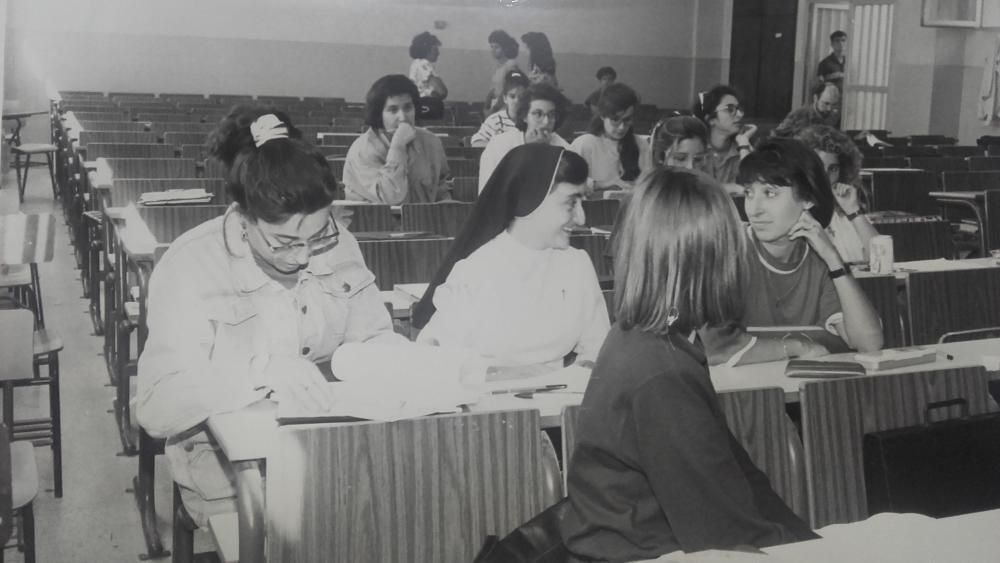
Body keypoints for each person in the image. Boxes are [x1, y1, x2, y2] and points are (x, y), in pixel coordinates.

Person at [136, 108, 407, 526]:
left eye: (316, 237)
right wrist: (258, 372)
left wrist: (405, 361)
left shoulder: (338, 243)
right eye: (283, 242)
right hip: (228, 473)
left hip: (335, 450)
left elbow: (374, 336)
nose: (302, 257)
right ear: (244, 218)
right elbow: (156, 408)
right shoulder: (191, 264)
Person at [559, 167, 818, 560]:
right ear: (712, 261)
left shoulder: (643, 337)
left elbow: (739, 477)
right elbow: (722, 533)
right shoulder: (663, 373)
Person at [413, 144, 609, 370]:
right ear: (530, 199)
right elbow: (436, 357)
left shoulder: (577, 265)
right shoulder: (475, 272)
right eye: (570, 202)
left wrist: (583, 370)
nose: (581, 218)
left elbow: (598, 350)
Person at [702, 137, 883, 366]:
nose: (754, 210)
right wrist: (797, 347)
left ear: (807, 199)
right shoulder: (726, 253)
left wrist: (834, 259)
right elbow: (713, 347)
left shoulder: (820, 259)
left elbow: (869, 342)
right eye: (749, 193)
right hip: (737, 396)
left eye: (770, 193)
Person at [343, 74, 451, 204]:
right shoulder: (362, 150)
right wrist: (398, 146)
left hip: (423, 221)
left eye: (408, 107)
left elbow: (441, 189)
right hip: (376, 222)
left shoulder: (431, 142)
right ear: (379, 114)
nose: (403, 117)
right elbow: (392, 198)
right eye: (393, 110)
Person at [793, 124, 878, 263]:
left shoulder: (845, 211)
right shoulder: (794, 212)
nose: (825, 177)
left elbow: (881, 258)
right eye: (819, 168)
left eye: (833, 169)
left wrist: (854, 211)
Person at [477, 82, 570, 192]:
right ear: (525, 116)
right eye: (538, 114)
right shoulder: (499, 147)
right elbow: (488, 197)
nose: (545, 122)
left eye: (551, 115)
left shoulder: (565, 150)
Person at [569, 83, 650, 189]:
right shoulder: (585, 144)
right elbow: (569, 182)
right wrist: (601, 185)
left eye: (627, 120)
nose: (621, 127)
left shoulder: (641, 144)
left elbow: (649, 182)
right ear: (602, 115)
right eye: (615, 120)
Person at [694, 85, 757, 192]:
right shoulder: (697, 149)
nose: (740, 115)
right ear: (710, 119)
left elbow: (752, 186)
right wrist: (731, 187)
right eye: (730, 109)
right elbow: (693, 188)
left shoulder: (742, 147)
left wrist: (744, 145)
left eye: (739, 109)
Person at [470, 70, 529, 148]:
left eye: (522, 97)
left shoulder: (532, 120)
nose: (517, 101)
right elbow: (476, 143)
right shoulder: (495, 120)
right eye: (512, 96)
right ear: (505, 98)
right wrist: (501, 146)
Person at [772, 82, 841, 137]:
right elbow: (776, 135)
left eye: (834, 104)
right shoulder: (799, 114)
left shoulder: (835, 117)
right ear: (815, 98)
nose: (829, 109)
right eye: (826, 103)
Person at [484, 29, 521, 112]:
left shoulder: (511, 65)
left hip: (504, 108)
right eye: (491, 47)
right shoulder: (499, 67)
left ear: (505, 48)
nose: (493, 50)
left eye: (496, 47)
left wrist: (495, 108)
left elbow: (509, 89)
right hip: (495, 107)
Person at [408, 31, 447, 100]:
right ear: (426, 50)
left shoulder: (416, 63)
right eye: (435, 49)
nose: (438, 53)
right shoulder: (423, 64)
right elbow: (442, 92)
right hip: (426, 104)